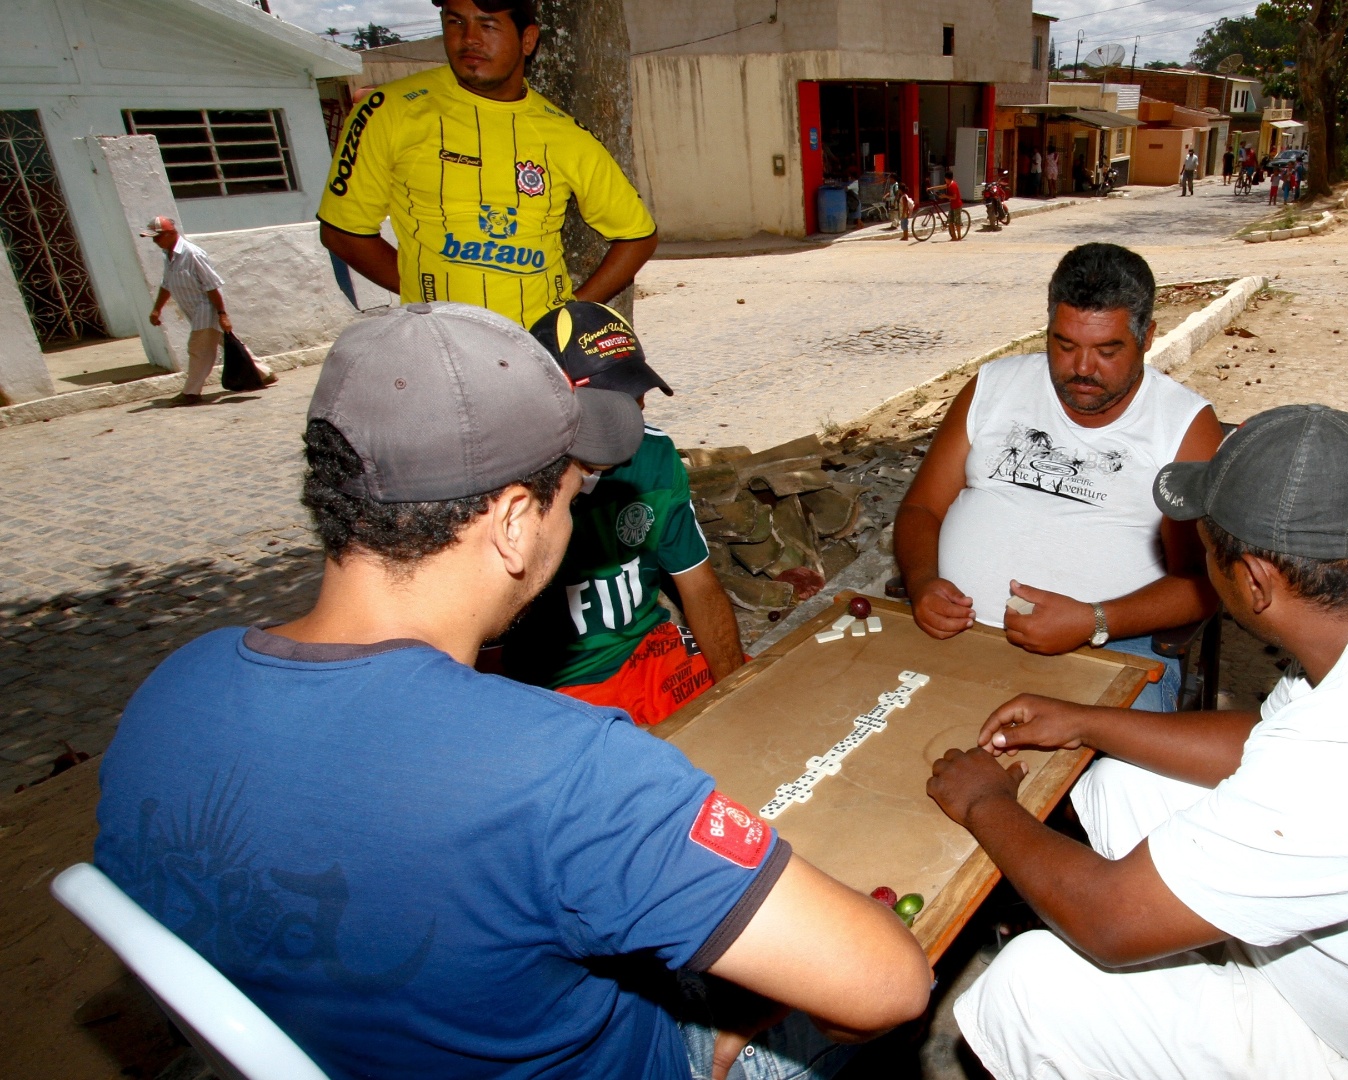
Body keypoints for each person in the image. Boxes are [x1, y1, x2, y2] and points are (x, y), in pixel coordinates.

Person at [93, 301, 930, 1079]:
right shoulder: (565, 770)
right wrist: (731, 1024)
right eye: (570, 496)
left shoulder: (171, 692)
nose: (571, 524)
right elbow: (886, 986)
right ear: (514, 523)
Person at [927, 404, 1348, 1080]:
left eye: (1209, 553)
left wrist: (985, 803)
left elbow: (1108, 923)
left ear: (1253, 582)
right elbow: (1265, 742)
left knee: (1029, 988)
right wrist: (1084, 720)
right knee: (1121, 783)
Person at [894, 243, 1223, 713]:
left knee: (1118, 778)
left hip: (1108, 649)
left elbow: (1203, 581)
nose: (1083, 368)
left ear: (1147, 337)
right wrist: (923, 580)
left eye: (1108, 350)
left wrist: (1095, 621)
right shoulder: (992, 387)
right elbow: (921, 508)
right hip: (957, 635)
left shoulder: (1182, 425)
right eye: (1064, 345)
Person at [317, 0, 659, 328]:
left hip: (539, 351)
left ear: (527, 40)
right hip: (439, 343)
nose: (469, 38)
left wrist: (570, 315)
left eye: (488, 24)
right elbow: (343, 232)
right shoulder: (389, 111)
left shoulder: (566, 135)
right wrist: (427, 297)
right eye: (455, 22)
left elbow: (638, 235)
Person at [501, 300, 745, 725]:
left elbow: (699, 587)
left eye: (637, 394)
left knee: (768, 705)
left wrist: (736, 692)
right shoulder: (507, 483)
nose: (637, 411)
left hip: (649, 654)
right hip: (558, 687)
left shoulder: (653, 455)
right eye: (615, 400)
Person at [140, 215, 276, 407]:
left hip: (206, 310)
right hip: (194, 312)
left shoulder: (192, 254)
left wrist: (222, 314)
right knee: (230, 342)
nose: (155, 241)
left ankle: (191, 392)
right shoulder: (168, 256)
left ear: (171, 234)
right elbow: (167, 284)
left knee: (198, 351)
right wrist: (156, 310)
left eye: (158, 236)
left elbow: (213, 286)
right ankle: (263, 373)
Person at [945, 173, 966, 241]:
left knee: (957, 222)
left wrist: (945, 196)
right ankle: (954, 237)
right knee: (950, 221)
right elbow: (942, 186)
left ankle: (959, 236)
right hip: (952, 205)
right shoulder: (949, 184)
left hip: (957, 205)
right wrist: (931, 188)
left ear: (947, 179)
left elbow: (954, 197)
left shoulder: (953, 185)